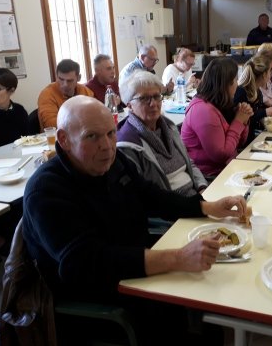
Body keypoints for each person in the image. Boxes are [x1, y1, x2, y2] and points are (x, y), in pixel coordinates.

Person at [22, 95, 246, 344]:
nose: (107, 146)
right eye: (92, 136)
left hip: (133, 261)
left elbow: (152, 196)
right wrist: (178, 257)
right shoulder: (46, 190)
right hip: (96, 291)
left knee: (211, 291)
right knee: (193, 307)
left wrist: (208, 207)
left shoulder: (113, 161)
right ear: (64, 139)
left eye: (110, 133)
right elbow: (84, 264)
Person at [117, 71, 208, 196]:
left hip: (196, 197)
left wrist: (203, 188)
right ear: (129, 106)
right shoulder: (128, 144)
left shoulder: (169, 127)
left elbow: (189, 162)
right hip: (172, 210)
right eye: (144, 98)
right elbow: (145, 197)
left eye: (156, 96)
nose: (153, 103)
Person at [181, 57, 253, 178]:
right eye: (235, 80)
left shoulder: (221, 104)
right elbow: (221, 155)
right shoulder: (203, 110)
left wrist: (244, 120)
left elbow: (238, 143)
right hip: (209, 177)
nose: (237, 84)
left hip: (226, 168)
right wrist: (238, 121)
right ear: (226, 84)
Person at [234, 55, 272, 146]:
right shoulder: (241, 92)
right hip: (242, 143)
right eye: (270, 71)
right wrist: (265, 112)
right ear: (264, 75)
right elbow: (242, 119)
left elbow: (255, 115)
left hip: (252, 138)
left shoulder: (257, 91)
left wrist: (268, 112)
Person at [38, 59, 94, 129]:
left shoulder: (86, 92)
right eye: (61, 79)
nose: (65, 84)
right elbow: (51, 124)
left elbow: (95, 116)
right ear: (56, 76)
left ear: (78, 78)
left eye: (70, 81)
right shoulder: (47, 94)